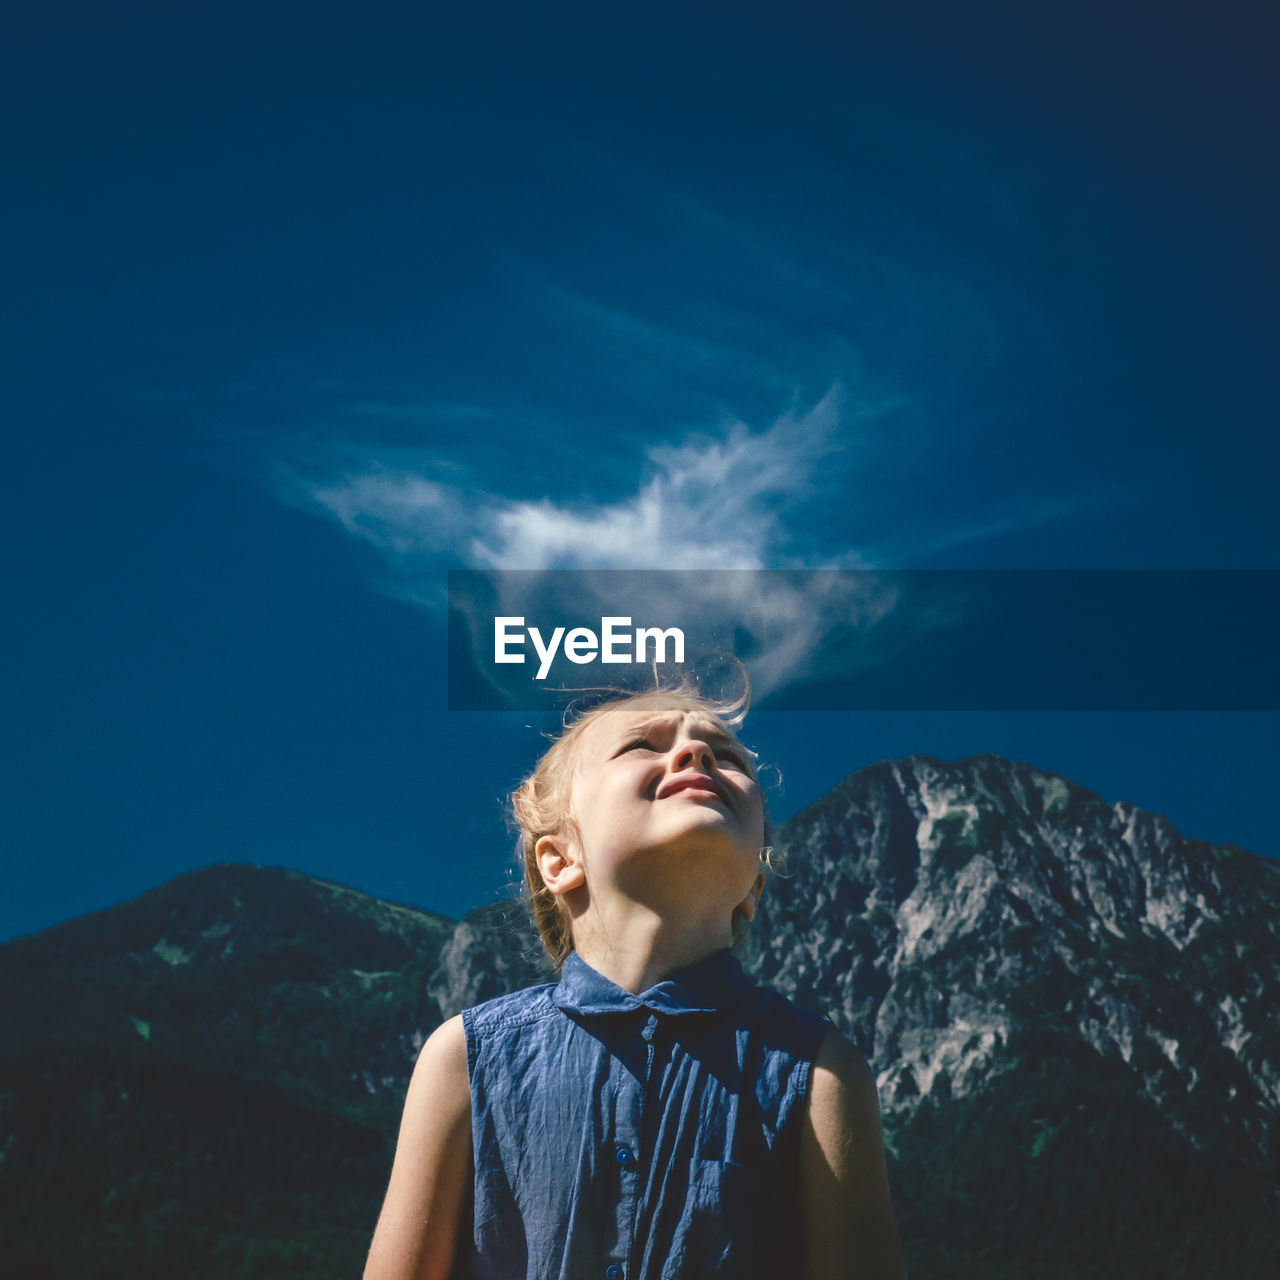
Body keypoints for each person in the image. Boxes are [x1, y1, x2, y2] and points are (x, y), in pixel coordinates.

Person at [364, 684, 905, 1280]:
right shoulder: (464, 1058)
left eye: (725, 756)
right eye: (642, 745)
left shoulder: (823, 1072)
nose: (696, 755)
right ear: (560, 860)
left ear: (753, 885)